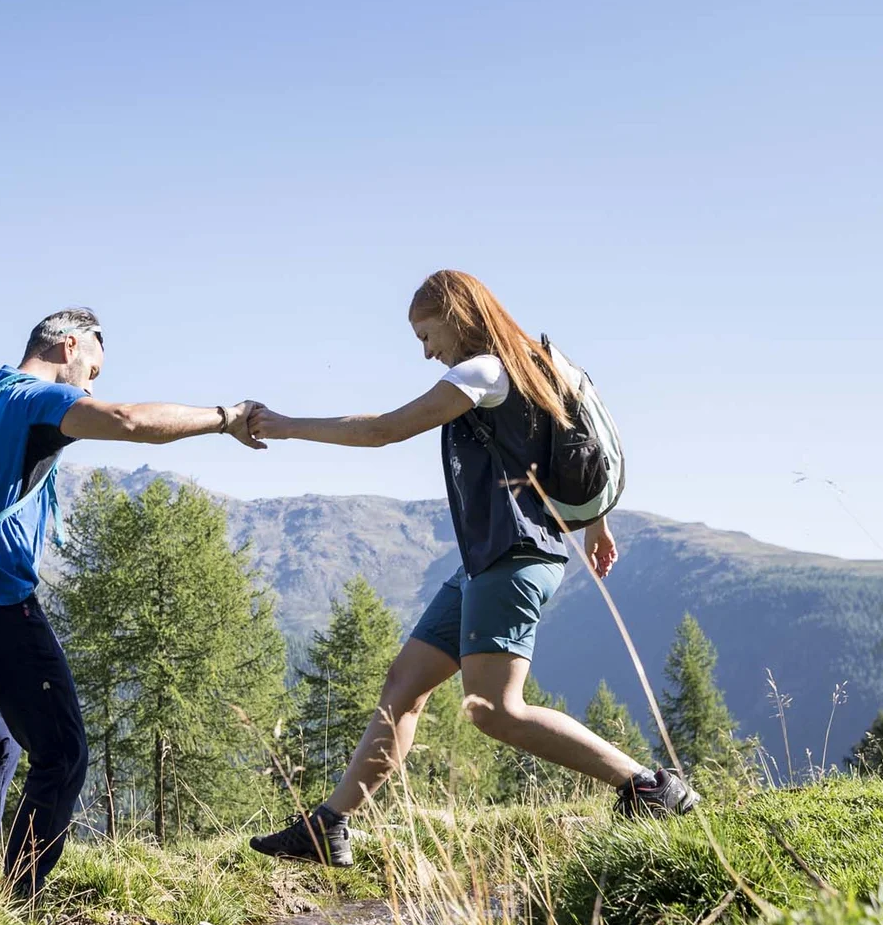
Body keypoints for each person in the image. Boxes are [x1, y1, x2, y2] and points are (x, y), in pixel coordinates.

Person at [244, 270, 699, 867]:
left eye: (426, 335)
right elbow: (581, 447)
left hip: (513, 557)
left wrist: (285, 426)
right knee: (404, 685)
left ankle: (648, 787)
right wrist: (596, 521)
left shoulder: (485, 371)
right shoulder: (536, 364)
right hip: (488, 559)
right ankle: (327, 827)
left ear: (456, 317)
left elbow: (383, 430)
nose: (425, 352)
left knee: (493, 709)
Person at [0, 307, 262, 897]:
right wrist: (224, 418)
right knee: (64, 757)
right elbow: (128, 421)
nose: (92, 387)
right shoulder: (32, 398)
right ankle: (20, 911)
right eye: (93, 370)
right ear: (69, 346)